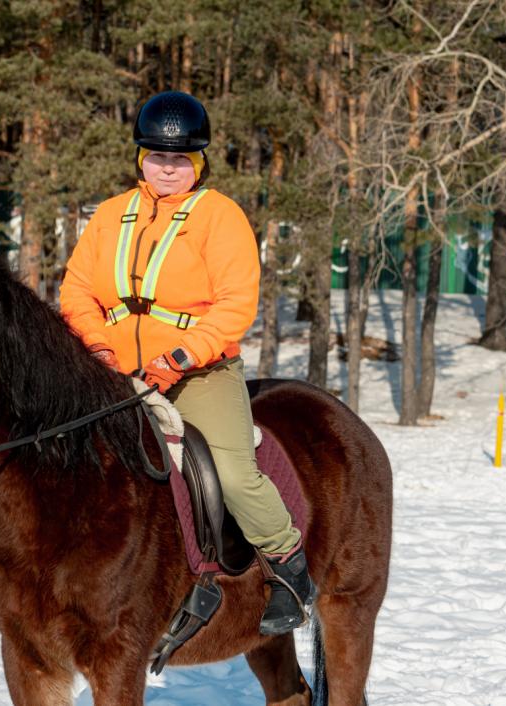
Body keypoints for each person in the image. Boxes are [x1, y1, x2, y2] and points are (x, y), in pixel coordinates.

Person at [59, 90, 314, 635]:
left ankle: (289, 569)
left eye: (179, 159)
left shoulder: (220, 216)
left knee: (233, 474)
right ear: (140, 158)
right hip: (113, 374)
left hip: (198, 372)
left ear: (197, 162)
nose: (167, 168)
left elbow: (235, 305)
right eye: (156, 157)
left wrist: (179, 356)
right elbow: (76, 291)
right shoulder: (109, 216)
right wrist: (100, 348)